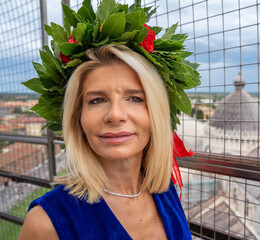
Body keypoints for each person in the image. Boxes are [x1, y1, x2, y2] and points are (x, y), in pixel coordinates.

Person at [18, 0, 200, 239]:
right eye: (96, 100)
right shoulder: (46, 223)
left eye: (135, 98)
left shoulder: (165, 191)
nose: (115, 115)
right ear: (78, 119)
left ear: (156, 113)